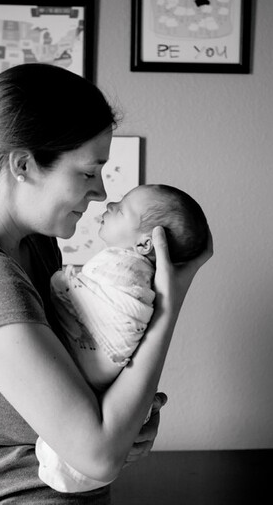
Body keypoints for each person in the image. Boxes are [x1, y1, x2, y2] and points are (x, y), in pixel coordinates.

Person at [0, 63, 212, 504]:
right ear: (24, 164)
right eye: (87, 171)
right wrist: (169, 304)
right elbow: (98, 455)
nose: (100, 192)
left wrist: (126, 418)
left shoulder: (36, 247)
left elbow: (87, 395)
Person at [37, 184, 209, 493]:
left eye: (123, 208)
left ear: (145, 244)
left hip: (89, 455)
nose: (108, 200)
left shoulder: (126, 270)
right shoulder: (126, 268)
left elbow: (118, 321)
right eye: (88, 172)